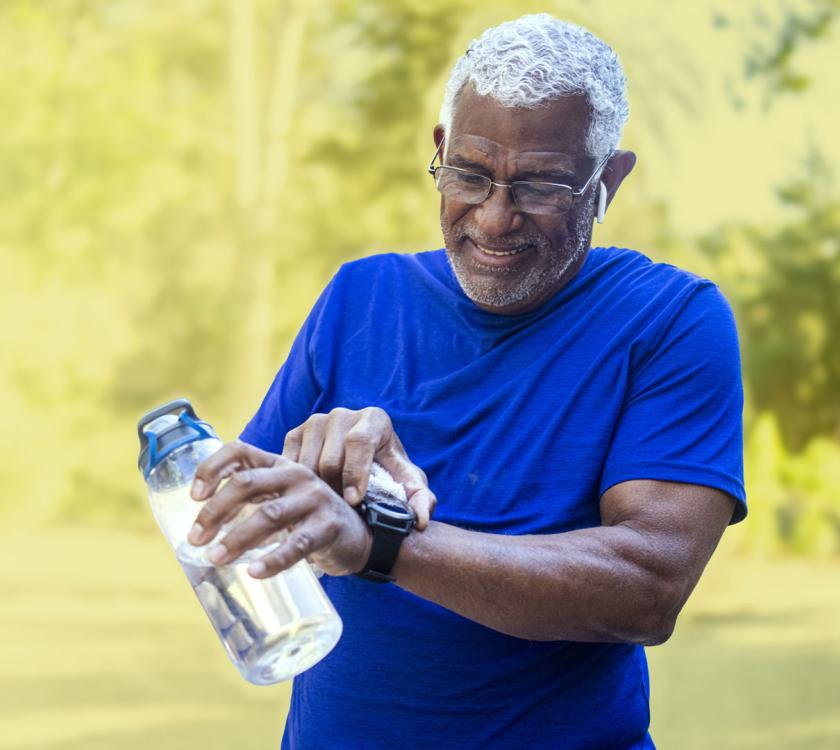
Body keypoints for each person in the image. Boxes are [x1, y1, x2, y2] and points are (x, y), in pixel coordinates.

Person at [188, 13, 745, 750]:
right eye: (471, 175)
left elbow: (647, 586)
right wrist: (306, 484)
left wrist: (380, 541)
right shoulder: (360, 297)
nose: (494, 217)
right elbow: (236, 543)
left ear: (609, 178)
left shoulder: (672, 319)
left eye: (541, 186)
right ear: (441, 150)